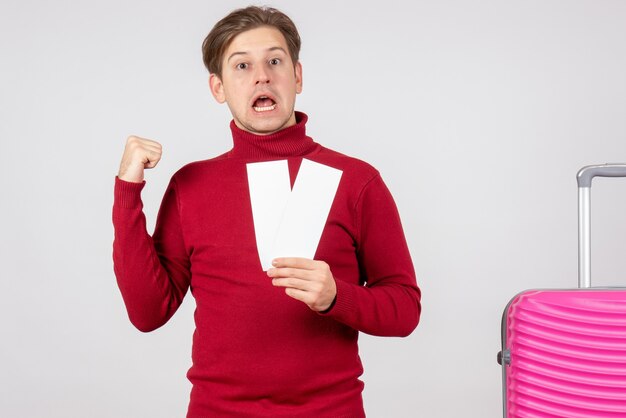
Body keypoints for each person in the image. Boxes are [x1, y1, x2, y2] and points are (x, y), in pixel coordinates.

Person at [112, 5, 421, 417]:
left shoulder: (356, 181)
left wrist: (337, 297)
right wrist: (127, 191)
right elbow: (148, 313)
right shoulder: (191, 185)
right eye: (242, 65)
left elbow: (405, 309)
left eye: (275, 61)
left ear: (297, 76)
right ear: (218, 87)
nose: (262, 75)